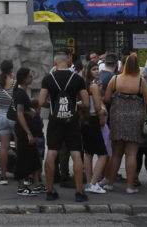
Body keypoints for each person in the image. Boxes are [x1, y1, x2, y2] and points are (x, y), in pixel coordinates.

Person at [38, 51, 88, 202]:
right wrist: (75, 105)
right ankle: (79, 192)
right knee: (76, 155)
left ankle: (50, 191)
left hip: (55, 121)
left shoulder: (48, 79)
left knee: (52, 154)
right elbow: (85, 103)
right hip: (71, 121)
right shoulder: (78, 79)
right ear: (68, 61)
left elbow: (41, 102)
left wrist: (54, 105)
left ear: (55, 63)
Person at [103, 53, 147, 194]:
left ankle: (110, 183)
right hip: (135, 119)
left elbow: (106, 99)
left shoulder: (116, 78)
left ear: (123, 65)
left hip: (117, 118)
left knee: (116, 153)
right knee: (131, 154)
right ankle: (130, 186)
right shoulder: (141, 81)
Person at [12, 67, 41, 195]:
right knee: (22, 158)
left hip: (27, 130)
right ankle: (21, 186)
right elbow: (19, 114)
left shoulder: (22, 93)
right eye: (30, 76)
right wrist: (28, 132)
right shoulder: (19, 93)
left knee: (33, 157)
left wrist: (30, 111)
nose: (32, 78)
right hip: (23, 131)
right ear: (24, 79)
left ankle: (37, 184)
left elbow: (23, 111)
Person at [81, 61, 108, 194]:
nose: (97, 71)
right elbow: (97, 107)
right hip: (93, 120)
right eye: (94, 69)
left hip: (84, 121)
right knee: (103, 154)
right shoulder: (93, 86)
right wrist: (103, 110)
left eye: (97, 69)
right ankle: (93, 182)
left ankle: (88, 181)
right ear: (89, 71)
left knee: (88, 153)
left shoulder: (82, 85)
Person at [0, 60, 15, 184]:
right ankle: (23, 176)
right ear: (11, 69)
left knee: (4, 148)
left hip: (1, 115)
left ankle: (3, 176)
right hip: (13, 116)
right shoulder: (15, 83)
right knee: (20, 146)